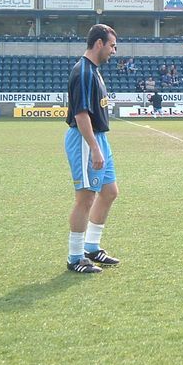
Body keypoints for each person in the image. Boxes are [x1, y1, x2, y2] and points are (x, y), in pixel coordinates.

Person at [64, 24, 121, 274]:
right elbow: (81, 114)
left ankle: (91, 247)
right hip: (86, 140)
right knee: (85, 198)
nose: (114, 51)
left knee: (109, 192)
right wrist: (95, 148)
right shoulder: (84, 72)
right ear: (99, 43)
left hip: (98, 139)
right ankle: (75, 258)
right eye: (112, 46)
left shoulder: (94, 71)